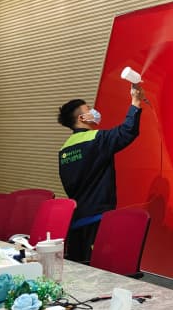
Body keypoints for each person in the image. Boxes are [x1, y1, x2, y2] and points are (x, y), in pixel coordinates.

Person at [57, 84, 144, 261]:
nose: (94, 111)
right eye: (89, 109)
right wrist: (136, 101)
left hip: (76, 220)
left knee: (79, 266)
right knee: (100, 266)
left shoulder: (64, 150)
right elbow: (127, 131)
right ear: (82, 118)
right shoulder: (96, 139)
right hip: (97, 220)